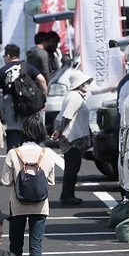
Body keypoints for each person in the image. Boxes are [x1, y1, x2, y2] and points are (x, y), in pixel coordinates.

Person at [1, 115, 54, 256]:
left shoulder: (13, 153)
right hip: (40, 206)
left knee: (16, 244)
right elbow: (51, 181)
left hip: (17, 206)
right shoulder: (47, 154)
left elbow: (6, 181)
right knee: (36, 245)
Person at [50, 69, 92, 206]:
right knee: (73, 167)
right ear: (79, 84)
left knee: (71, 166)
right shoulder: (75, 97)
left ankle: (67, 194)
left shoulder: (74, 95)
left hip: (72, 135)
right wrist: (59, 130)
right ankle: (67, 195)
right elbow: (67, 115)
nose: (86, 85)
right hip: (71, 136)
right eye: (84, 82)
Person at [0, 44, 47, 150]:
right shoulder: (28, 67)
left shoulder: (1, 72)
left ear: (8, 56)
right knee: (29, 136)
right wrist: (43, 98)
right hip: (28, 107)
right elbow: (42, 80)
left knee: (13, 137)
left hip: (11, 108)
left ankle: (14, 162)